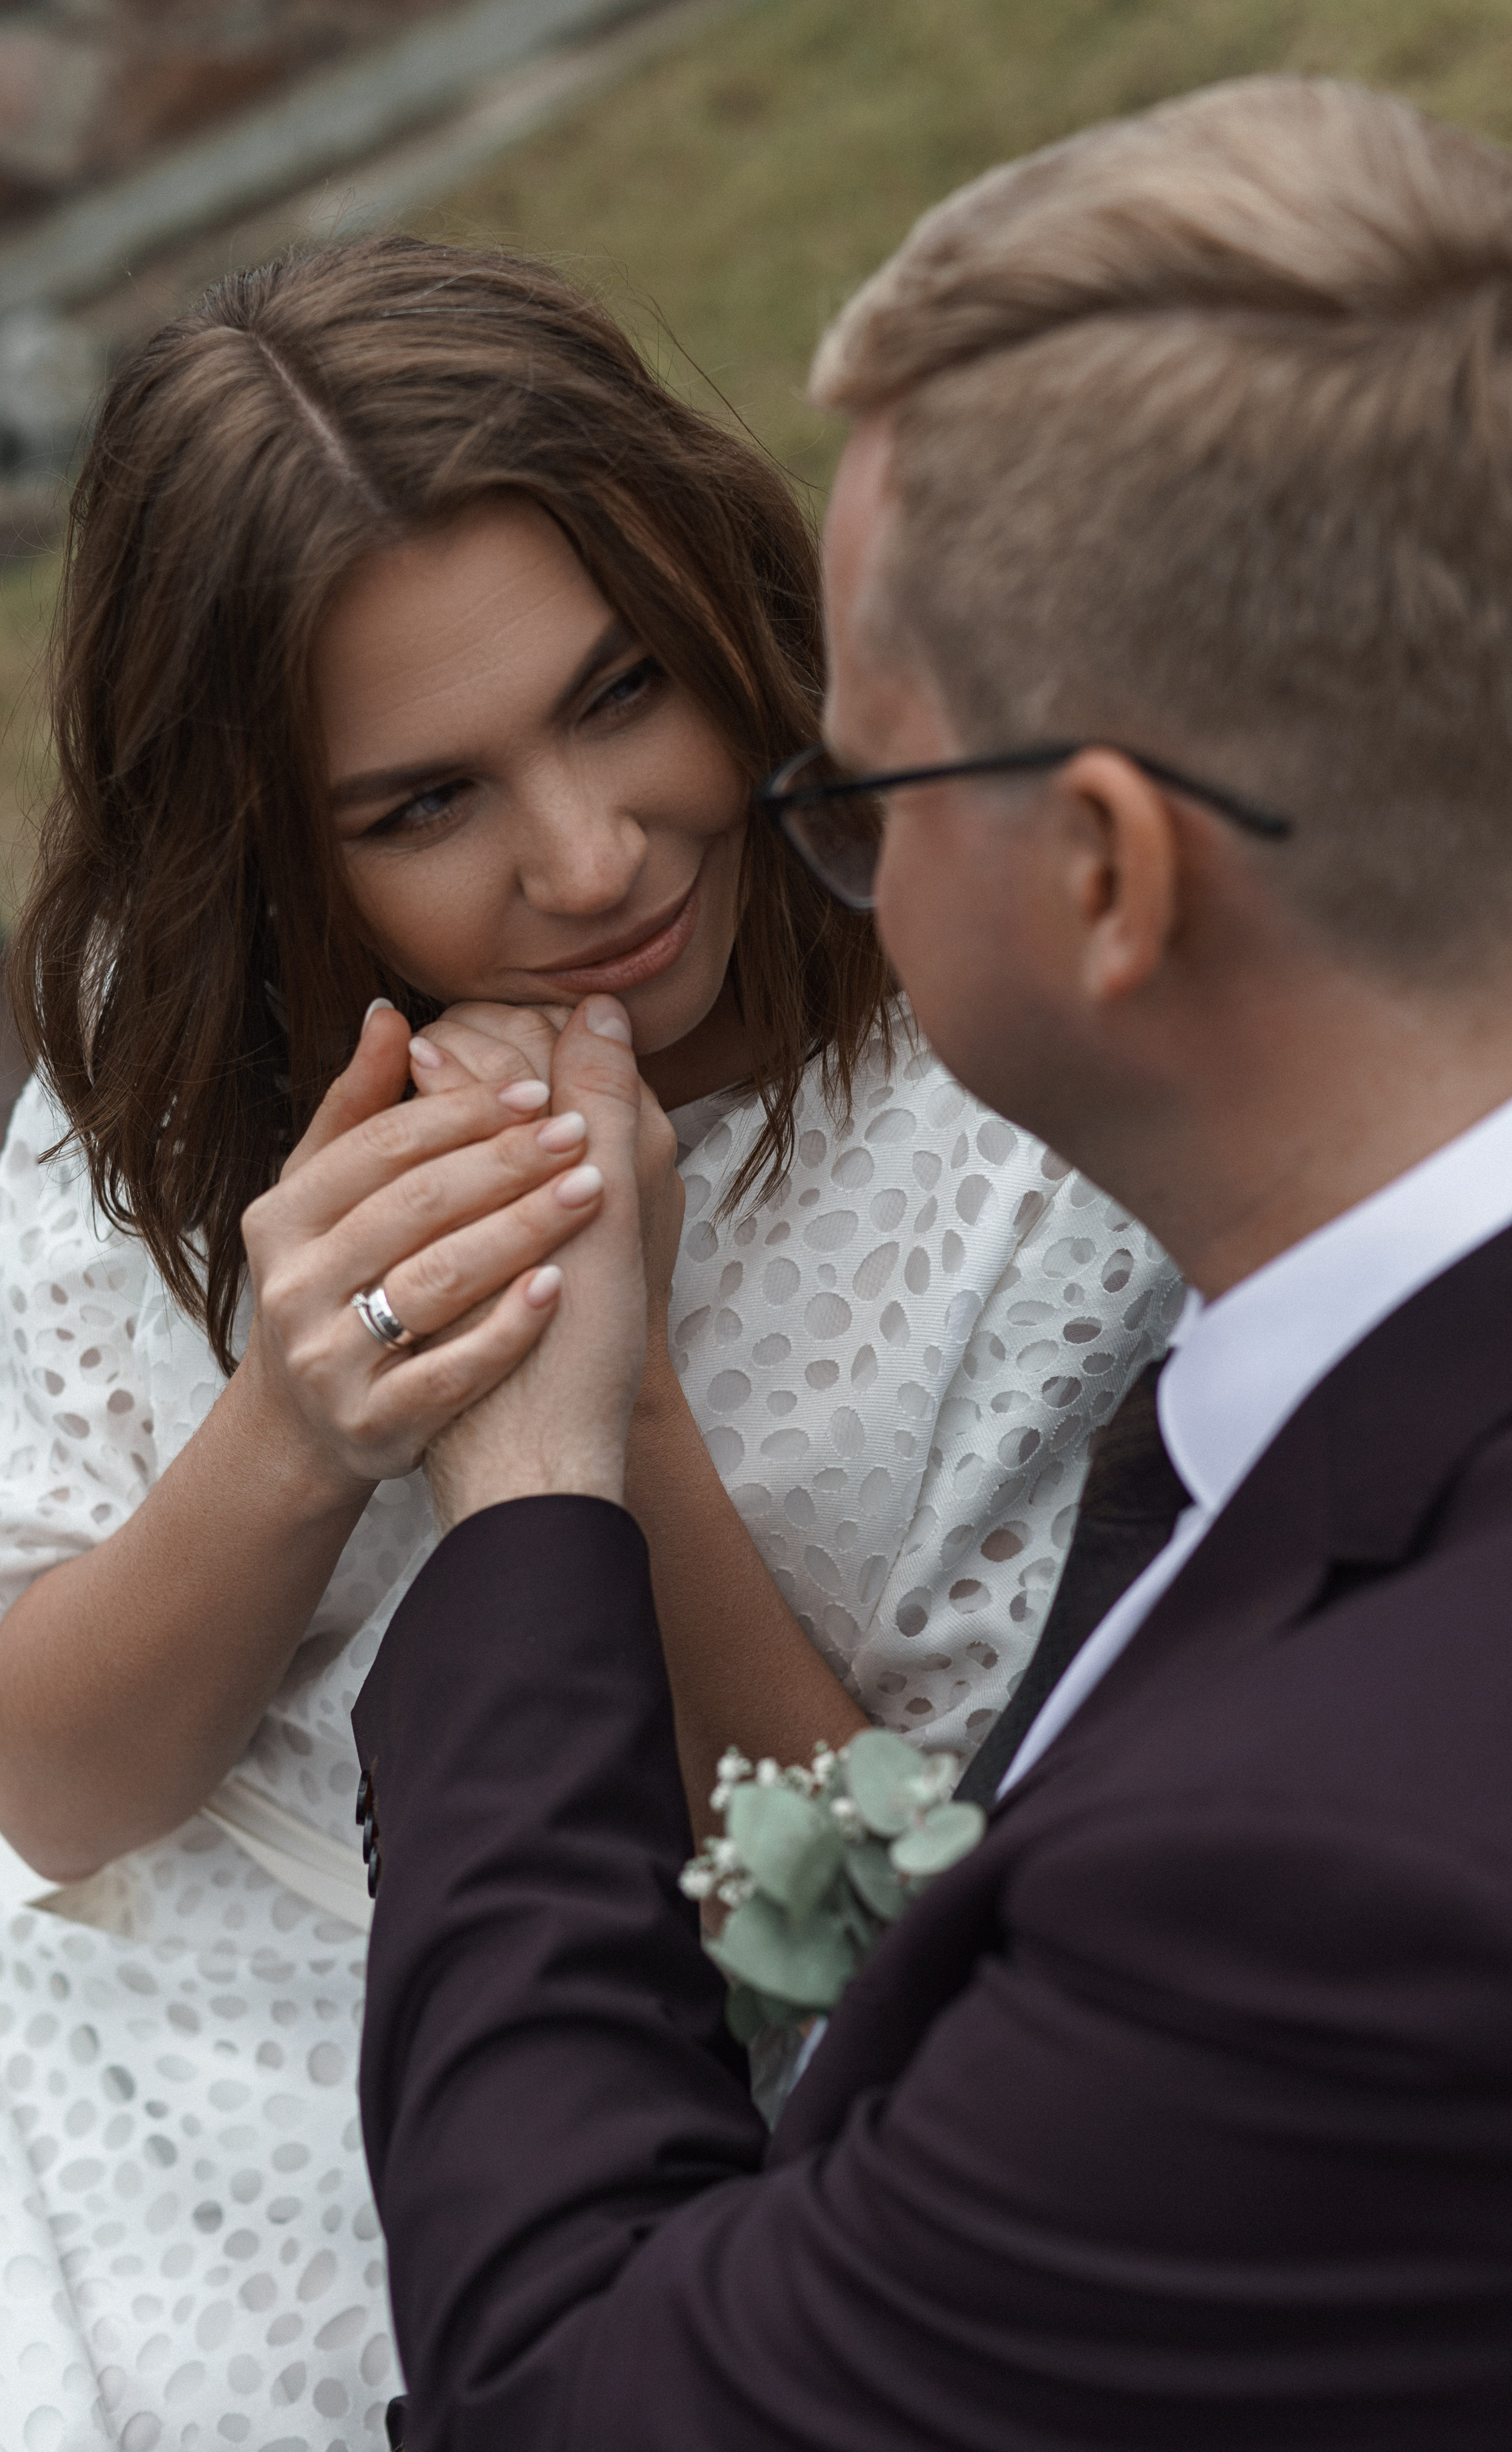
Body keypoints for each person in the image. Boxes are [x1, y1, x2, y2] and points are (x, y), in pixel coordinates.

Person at [0, 238, 1171, 2439]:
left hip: (543, 2182)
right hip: (26, 2037)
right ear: (270, 858)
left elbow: (897, 1940)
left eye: (625, 687)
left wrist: (612, 1410)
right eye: (423, 806)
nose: (592, 852)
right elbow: (56, 1799)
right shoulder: (185, 1069)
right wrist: (291, 1427)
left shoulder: (1017, 1111)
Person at [351, 76, 1512, 2447]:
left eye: (858, 789)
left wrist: (534, 1492)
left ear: (1102, 872)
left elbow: (589, 2408)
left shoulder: (1308, 1890)